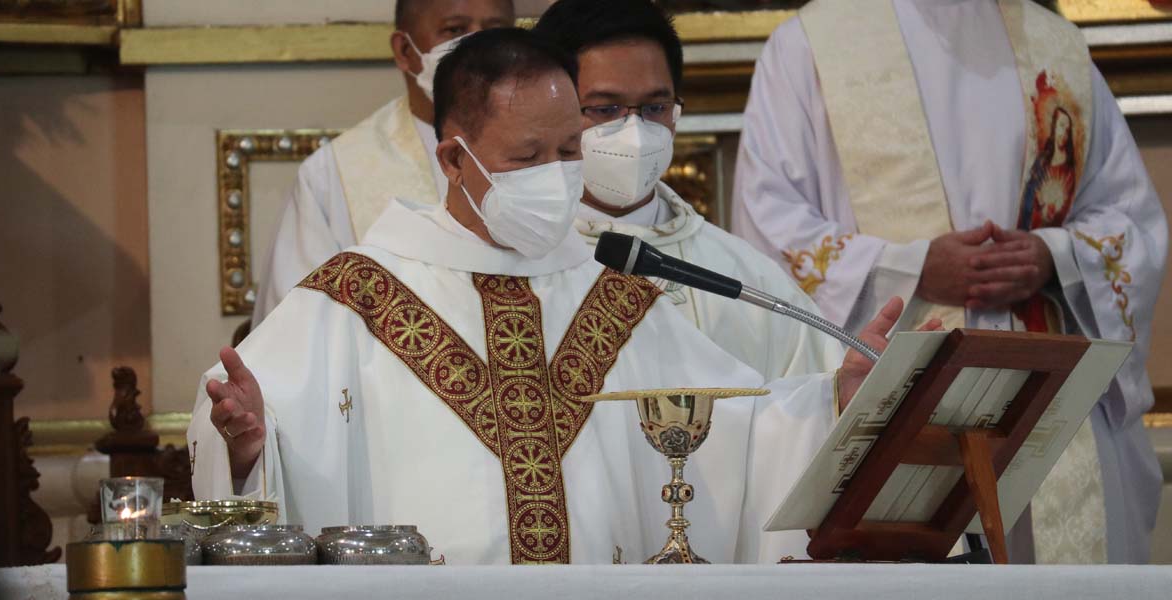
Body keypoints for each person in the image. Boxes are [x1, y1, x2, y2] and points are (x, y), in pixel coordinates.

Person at [189, 28, 926, 565]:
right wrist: (254, 445)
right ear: (454, 158)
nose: (558, 174)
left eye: (569, 151)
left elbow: (738, 432)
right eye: (527, 158)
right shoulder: (355, 296)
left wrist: (834, 402)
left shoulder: (611, 294)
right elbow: (256, 444)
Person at [732, 0, 1166, 563]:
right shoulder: (809, 45)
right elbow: (768, 226)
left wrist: (1051, 256)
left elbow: (1127, 216)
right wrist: (911, 268)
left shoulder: (1053, 42)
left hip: (1045, 381)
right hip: (892, 365)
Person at [531, 0, 843, 386]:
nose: (635, 130)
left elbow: (817, 410)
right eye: (605, 108)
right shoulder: (519, 265)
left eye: (655, 107)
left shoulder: (745, 275)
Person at [252, 0, 515, 324]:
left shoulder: (556, 154)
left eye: (496, 29)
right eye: (454, 30)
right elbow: (296, 330)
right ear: (405, 50)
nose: (479, 48)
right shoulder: (333, 175)